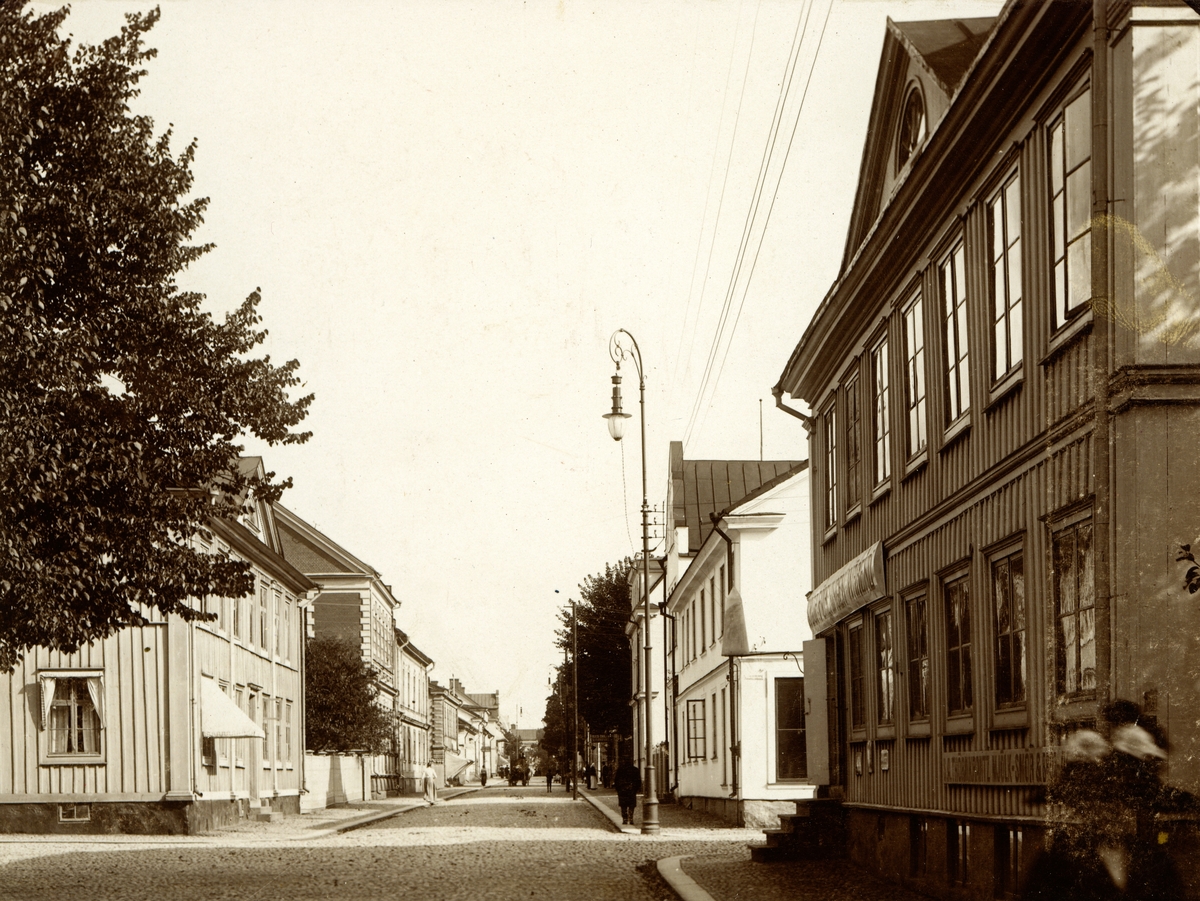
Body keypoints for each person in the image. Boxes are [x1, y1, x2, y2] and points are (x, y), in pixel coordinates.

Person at [614, 756, 641, 826]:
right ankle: (631, 818)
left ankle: (625, 819)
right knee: (631, 805)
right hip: (631, 790)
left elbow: (616, 781)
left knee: (623, 806)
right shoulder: (635, 770)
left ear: (623, 761)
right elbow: (638, 782)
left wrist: (619, 790)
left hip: (622, 790)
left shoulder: (620, 770)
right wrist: (635, 790)